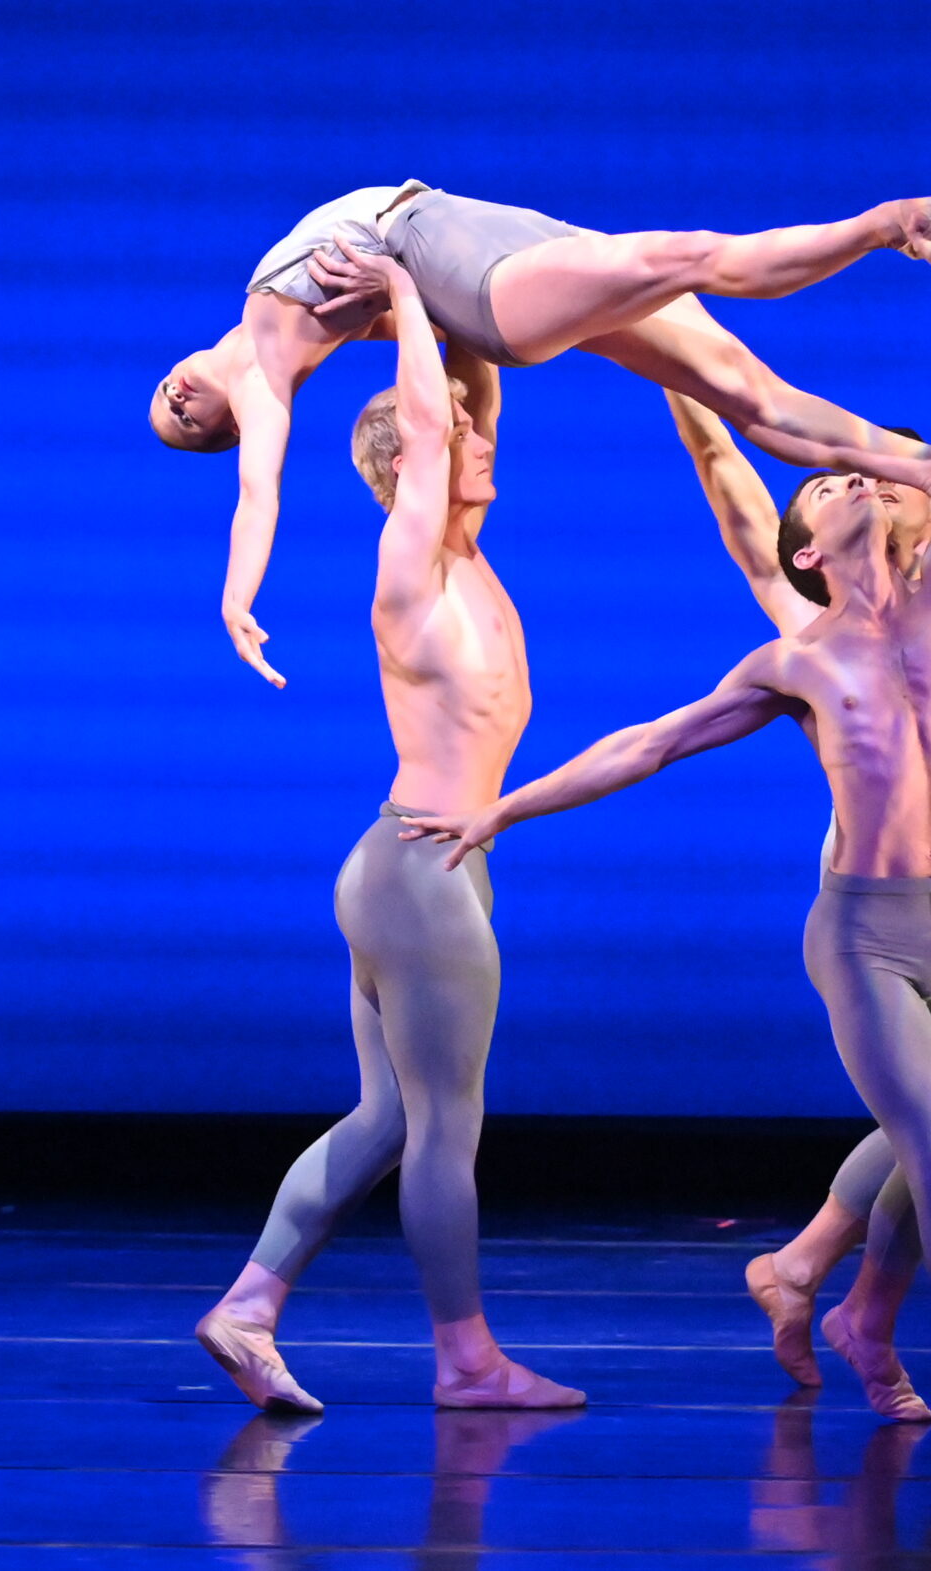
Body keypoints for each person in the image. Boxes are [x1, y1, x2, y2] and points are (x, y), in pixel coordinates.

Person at [400, 238, 931, 1453]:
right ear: (804, 547)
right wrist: (503, 808)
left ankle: (822, 1285)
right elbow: (651, 742)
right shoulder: (793, 649)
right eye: (826, 485)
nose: (852, 475)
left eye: (859, 475)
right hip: (866, 928)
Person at [193, 246, 584, 1413]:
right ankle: (467, 1362)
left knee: (387, 1117)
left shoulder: (470, 561)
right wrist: (408, 300)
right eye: (460, 435)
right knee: (446, 1128)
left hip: (415, 866)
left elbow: (475, 385)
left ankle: (248, 1306)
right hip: (417, 867)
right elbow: (431, 413)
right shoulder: (411, 557)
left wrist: (459, 299)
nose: (481, 440)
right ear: (420, 457)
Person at [150, 182, 931, 688]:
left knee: (757, 398)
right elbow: (258, 493)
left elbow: (449, 373)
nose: (179, 397)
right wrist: (237, 598)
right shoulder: (264, 380)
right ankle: (893, 224)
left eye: (164, 393)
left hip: (468, 243)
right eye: (188, 422)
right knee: (683, 254)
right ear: (227, 424)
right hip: (463, 269)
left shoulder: (260, 316)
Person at [663, 391, 931, 1397]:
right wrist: (672, 354)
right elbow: (733, 495)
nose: (880, 487)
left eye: (895, 477)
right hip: (877, 877)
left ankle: (810, 1270)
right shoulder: (817, 618)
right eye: (867, 476)